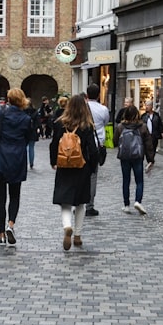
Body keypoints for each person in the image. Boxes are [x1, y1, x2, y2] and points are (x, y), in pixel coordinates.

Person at [50, 94, 100, 250]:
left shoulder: (60, 124)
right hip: (81, 167)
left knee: (64, 201)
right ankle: (77, 235)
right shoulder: (87, 126)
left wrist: (54, 162)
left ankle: (67, 226)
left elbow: (53, 145)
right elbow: (92, 149)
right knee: (80, 203)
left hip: (64, 166)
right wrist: (92, 167)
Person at [0, 88, 35, 247]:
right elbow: (30, 138)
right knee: (15, 195)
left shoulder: (2, 114)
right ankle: (10, 224)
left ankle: (1, 233)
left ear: (9, 100)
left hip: (1, 157)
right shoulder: (26, 118)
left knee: (0, 198)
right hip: (17, 158)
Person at [114, 104, 155, 216]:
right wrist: (150, 159)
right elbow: (148, 144)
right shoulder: (142, 127)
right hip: (137, 156)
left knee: (126, 180)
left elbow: (114, 141)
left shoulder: (120, 127)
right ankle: (138, 201)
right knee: (139, 180)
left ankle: (126, 205)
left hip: (125, 156)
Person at [85, 84, 110, 217]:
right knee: (93, 175)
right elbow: (105, 123)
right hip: (96, 144)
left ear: (87, 95)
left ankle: (79, 203)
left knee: (81, 174)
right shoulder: (103, 109)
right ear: (99, 95)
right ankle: (90, 205)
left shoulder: (83, 108)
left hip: (83, 145)